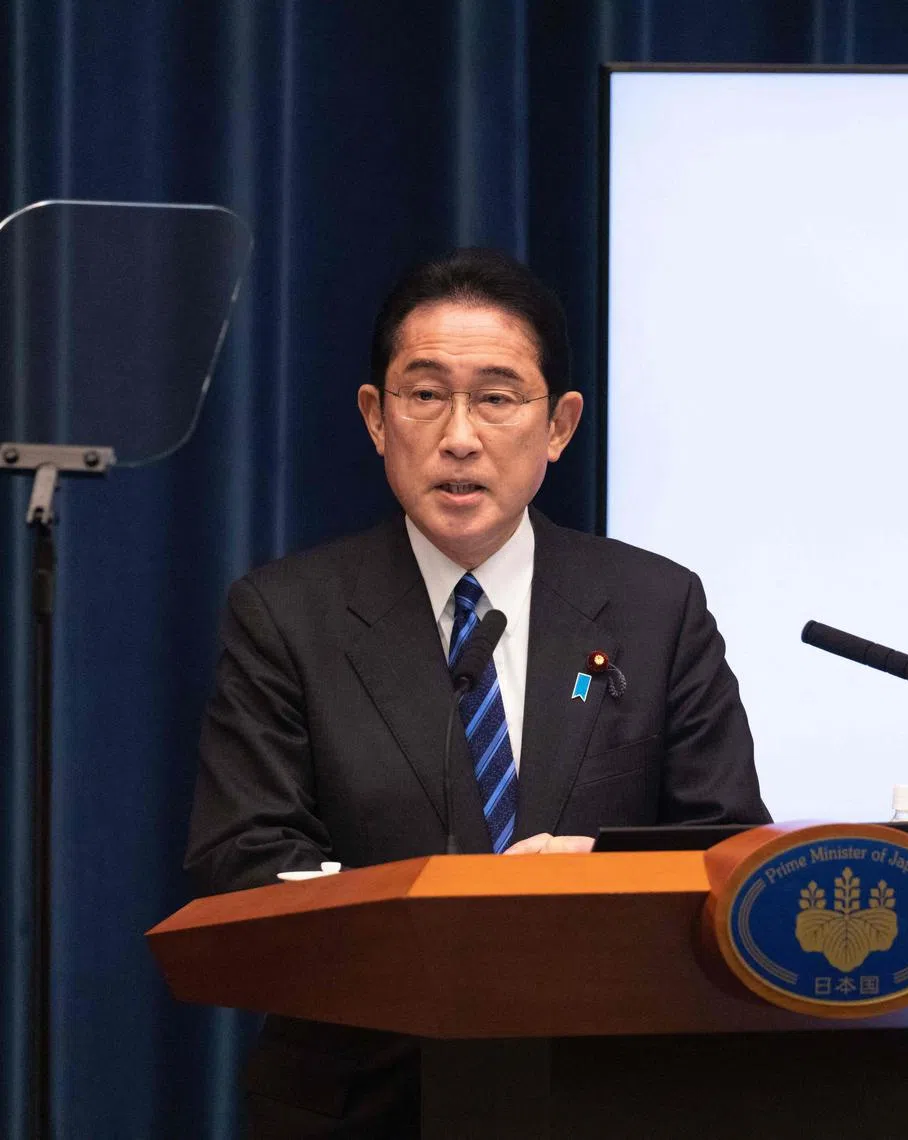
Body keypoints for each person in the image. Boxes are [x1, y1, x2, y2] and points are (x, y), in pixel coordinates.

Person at [185, 248, 770, 1137]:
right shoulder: (286, 616)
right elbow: (246, 862)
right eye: (425, 396)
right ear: (377, 419)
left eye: (497, 397)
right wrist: (445, 922)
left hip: (611, 1087)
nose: (459, 435)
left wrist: (599, 880)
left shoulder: (657, 607)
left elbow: (726, 844)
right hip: (367, 1094)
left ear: (560, 425)